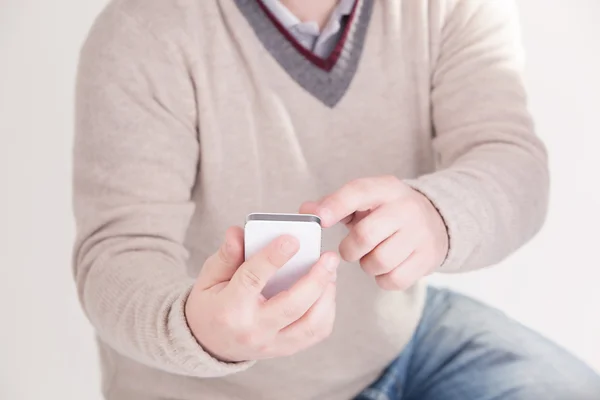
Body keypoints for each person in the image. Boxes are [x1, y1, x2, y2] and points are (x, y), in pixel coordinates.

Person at [72, 0, 600, 399]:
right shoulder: (144, 28)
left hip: (396, 340)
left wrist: (438, 217)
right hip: (206, 384)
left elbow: (511, 161)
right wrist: (198, 329)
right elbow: (118, 252)